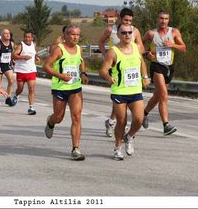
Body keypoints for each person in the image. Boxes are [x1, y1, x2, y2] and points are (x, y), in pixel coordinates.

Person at [99, 24, 150, 160]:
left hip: (135, 90)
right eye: (124, 33)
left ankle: (129, 136)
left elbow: (142, 62)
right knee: (121, 121)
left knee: (139, 119)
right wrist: (108, 78)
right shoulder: (113, 52)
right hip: (120, 91)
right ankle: (117, 148)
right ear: (118, 35)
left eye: (129, 33)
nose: (127, 35)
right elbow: (103, 70)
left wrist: (145, 77)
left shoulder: (136, 47)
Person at [43, 24, 89, 161]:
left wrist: (83, 73)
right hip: (60, 88)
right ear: (66, 36)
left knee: (76, 116)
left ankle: (76, 149)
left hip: (75, 87)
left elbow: (81, 62)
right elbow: (46, 66)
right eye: (72, 34)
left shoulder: (79, 49)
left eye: (77, 35)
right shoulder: (59, 50)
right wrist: (60, 76)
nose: (75, 37)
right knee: (59, 117)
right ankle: (50, 122)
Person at [98, 7, 145, 138]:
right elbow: (100, 42)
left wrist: (139, 51)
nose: (128, 23)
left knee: (122, 101)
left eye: (130, 20)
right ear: (120, 19)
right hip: (115, 66)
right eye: (126, 20)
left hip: (130, 66)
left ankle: (112, 122)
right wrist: (105, 54)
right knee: (120, 97)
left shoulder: (134, 31)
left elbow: (141, 46)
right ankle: (115, 123)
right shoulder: (110, 30)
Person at [142, 10, 187, 135]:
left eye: (166, 19)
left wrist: (173, 45)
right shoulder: (151, 34)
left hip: (169, 67)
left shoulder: (174, 32)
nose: (163, 21)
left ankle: (144, 114)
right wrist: (146, 54)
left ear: (169, 20)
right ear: (157, 19)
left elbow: (183, 48)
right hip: (156, 66)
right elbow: (138, 46)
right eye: (161, 18)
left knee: (158, 96)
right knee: (164, 95)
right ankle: (166, 125)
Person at [12, 31, 40, 115]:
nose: (27, 39)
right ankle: (16, 95)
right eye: (26, 37)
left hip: (31, 70)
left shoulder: (33, 44)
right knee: (20, 89)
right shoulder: (21, 45)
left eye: (29, 37)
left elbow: (33, 53)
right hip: (21, 70)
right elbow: (14, 55)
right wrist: (23, 57)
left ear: (32, 38)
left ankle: (31, 107)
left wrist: (36, 57)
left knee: (31, 89)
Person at [0, 28, 15, 106]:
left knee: (11, 80)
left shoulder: (11, 43)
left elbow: (11, 53)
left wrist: (12, 60)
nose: (8, 35)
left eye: (8, 33)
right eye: (5, 33)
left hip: (6, 65)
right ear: (2, 36)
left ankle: (8, 98)